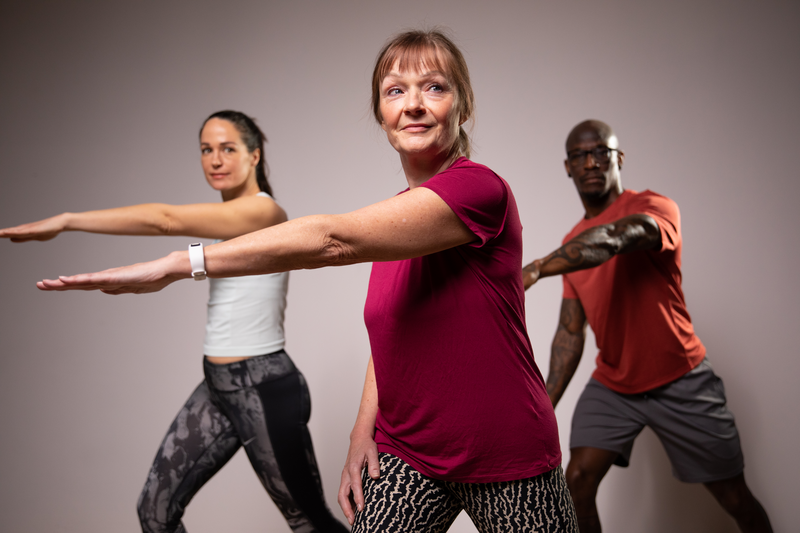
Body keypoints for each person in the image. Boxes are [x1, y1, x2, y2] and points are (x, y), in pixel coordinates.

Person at [30, 30, 578, 533]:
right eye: (395, 91)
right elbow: (397, 331)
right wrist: (364, 431)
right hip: (412, 454)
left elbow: (332, 240)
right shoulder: (395, 219)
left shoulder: (478, 191)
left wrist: (182, 263)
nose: (413, 104)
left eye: (434, 87)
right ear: (380, 113)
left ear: (462, 106)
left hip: (506, 451)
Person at [0, 110, 348, 533]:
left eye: (228, 148)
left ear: (255, 156)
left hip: (263, 386)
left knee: (310, 523)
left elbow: (165, 219)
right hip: (217, 385)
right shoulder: (230, 220)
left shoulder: (265, 214)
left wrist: (67, 221)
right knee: (155, 513)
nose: (215, 159)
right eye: (206, 150)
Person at [521, 119, 773, 533]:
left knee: (734, 497)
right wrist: (543, 404)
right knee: (577, 482)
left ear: (618, 159)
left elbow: (615, 238)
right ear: (568, 167)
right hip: (615, 384)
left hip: (680, 376)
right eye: (580, 156)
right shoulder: (571, 243)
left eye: (601, 152)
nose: (591, 162)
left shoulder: (654, 207)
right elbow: (570, 332)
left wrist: (537, 267)